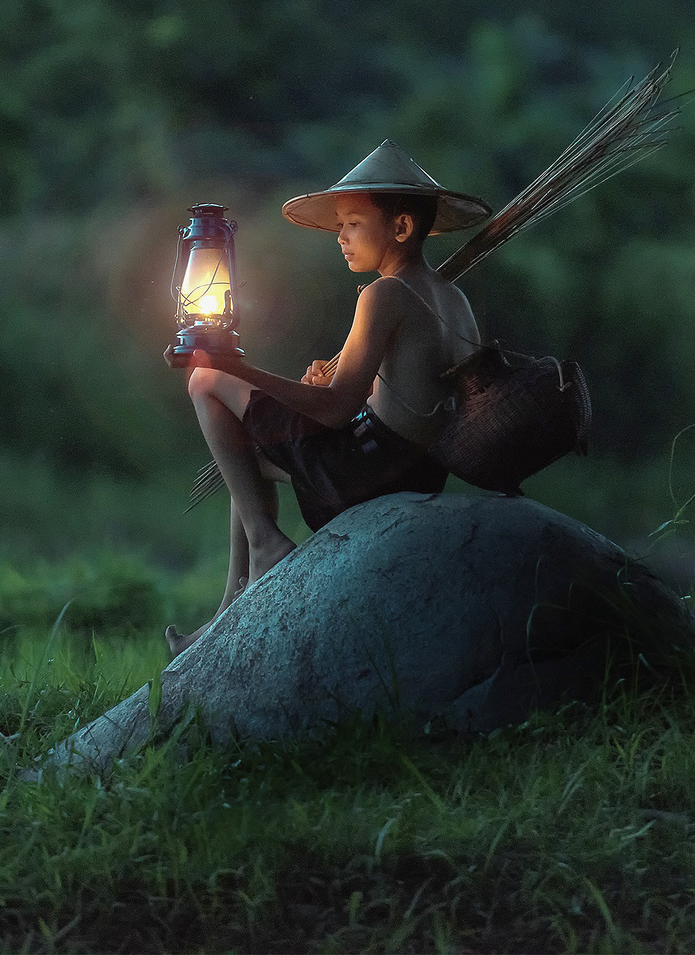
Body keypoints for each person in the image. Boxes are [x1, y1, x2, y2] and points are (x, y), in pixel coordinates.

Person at [165, 141, 491, 655]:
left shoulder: (383, 295)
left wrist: (234, 367)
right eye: (339, 225)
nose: (340, 237)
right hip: (418, 467)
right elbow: (405, 396)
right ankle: (230, 607)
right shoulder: (453, 298)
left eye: (353, 224)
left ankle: (267, 547)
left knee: (203, 381)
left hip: (368, 468)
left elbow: (338, 408)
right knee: (241, 466)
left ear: (401, 228)